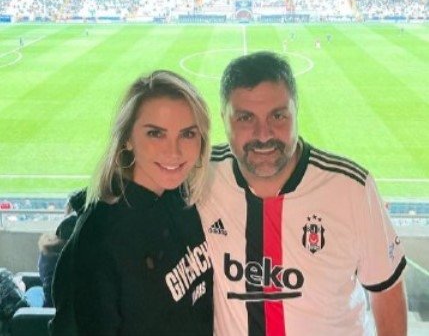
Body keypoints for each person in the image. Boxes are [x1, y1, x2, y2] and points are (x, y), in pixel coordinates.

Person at [198, 51, 407, 336]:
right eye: (245, 118)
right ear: (224, 118)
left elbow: (387, 290)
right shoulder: (201, 175)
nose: (263, 135)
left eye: (278, 116)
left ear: (296, 111)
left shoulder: (350, 188)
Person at [51, 70, 213, 336]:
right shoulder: (98, 238)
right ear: (127, 138)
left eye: (187, 134)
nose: (173, 151)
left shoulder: (183, 196)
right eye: (156, 133)